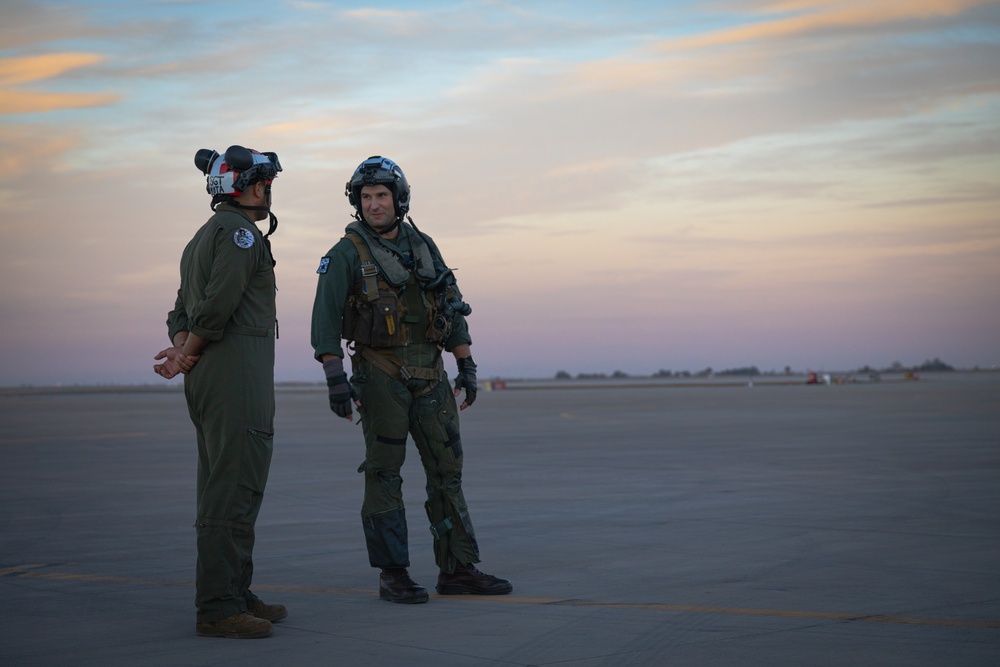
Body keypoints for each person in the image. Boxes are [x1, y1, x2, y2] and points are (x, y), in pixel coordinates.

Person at [311, 155, 512, 604]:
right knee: (384, 474)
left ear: (398, 199)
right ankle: (393, 572)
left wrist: (467, 365)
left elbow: (452, 304)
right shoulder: (344, 254)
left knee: (448, 470)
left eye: (382, 195)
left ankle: (457, 566)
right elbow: (323, 320)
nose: (374, 205)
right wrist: (335, 379)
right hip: (380, 374)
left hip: (432, 375)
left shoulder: (424, 245)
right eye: (366, 197)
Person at [153, 145, 287, 638]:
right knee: (233, 486)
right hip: (235, 374)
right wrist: (190, 349)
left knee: (230, 481)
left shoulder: (202, 237)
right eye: (266, 182)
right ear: (254, 186)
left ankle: (235, 590)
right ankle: (217, 607)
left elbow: (180, 312)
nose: (269, 190)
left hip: (213, 373)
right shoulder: (240, 235)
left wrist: (182, 348)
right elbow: (217, 306)